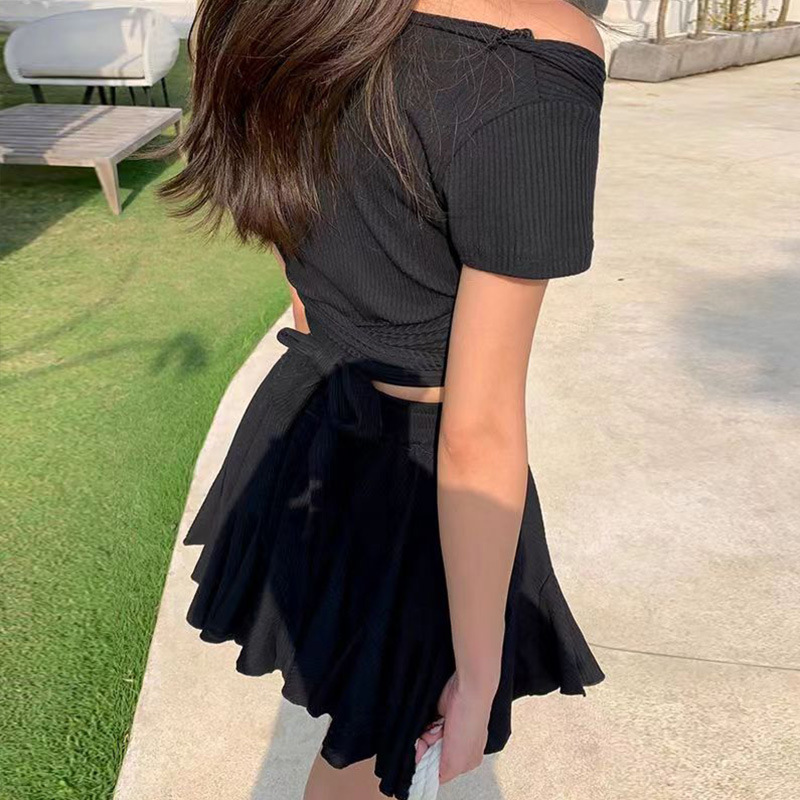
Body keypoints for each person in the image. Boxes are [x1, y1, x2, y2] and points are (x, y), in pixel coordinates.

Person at [163, 1, 606, 797]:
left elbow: (290, 245)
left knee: (360, 739)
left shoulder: (259, 11)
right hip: (418, 481)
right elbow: (477, 425)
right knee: (376, 755)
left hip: (311, 424)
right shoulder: (530, 51)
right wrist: (478, 674)